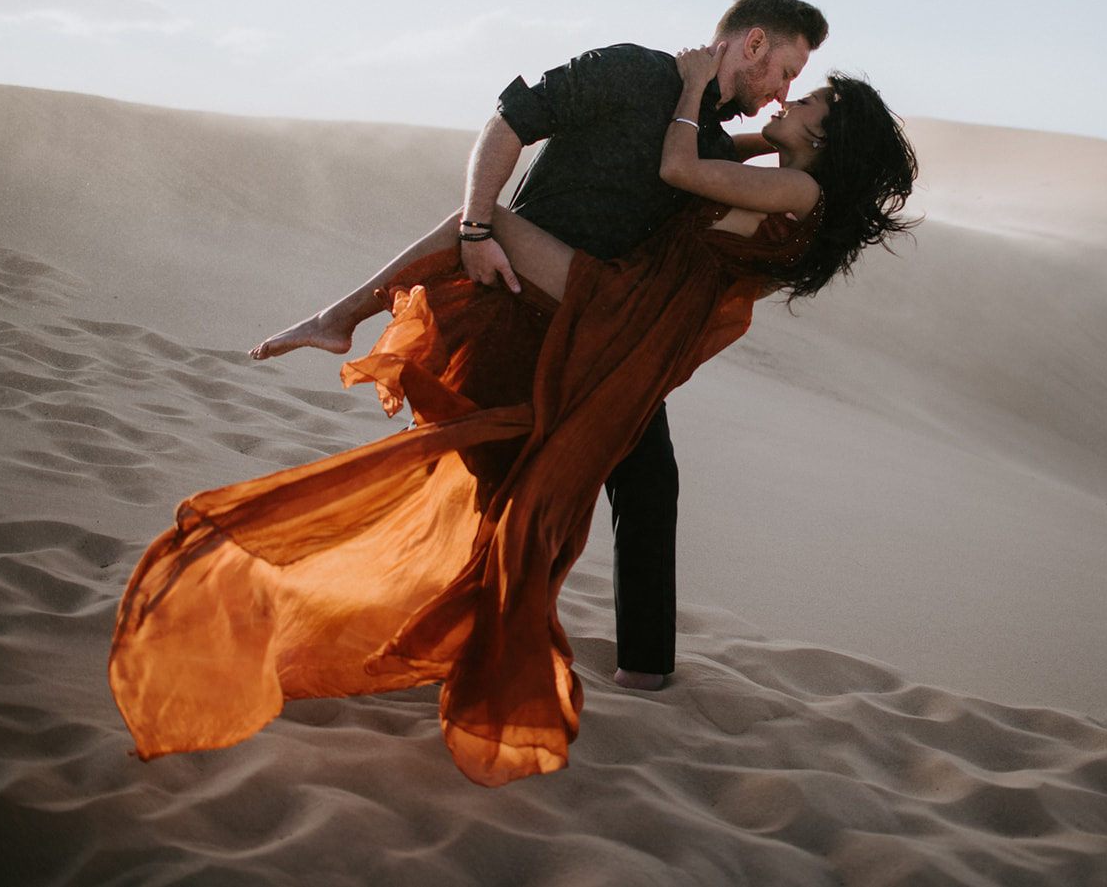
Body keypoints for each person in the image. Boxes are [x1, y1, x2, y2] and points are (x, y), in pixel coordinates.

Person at [108, 45, 919, 787]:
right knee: (583, 473)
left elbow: (679, 163)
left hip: (622, 311)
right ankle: (625, 658)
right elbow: (719, 156)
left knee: (482, 221)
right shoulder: (791, 181)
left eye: (804, 103)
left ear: (825, 134)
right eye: (789, 85)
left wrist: (697, 86)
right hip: (634, 313)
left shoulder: (798, 186)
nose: (786, 102)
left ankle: (338, 316)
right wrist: (719, 107)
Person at [246, 0, 830, 694]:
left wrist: (776, 133)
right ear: (756, 43)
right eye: (786, 72)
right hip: (520, 304)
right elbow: (511, 120)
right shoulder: (632, 72)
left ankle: (644, 670)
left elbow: (724, 173)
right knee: (496, 491)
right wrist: (477, 231)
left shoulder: (702, 136)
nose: (782, 92)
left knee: (646, 483)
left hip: (601, 331)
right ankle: (385, 631)